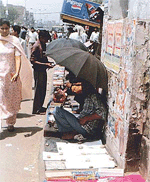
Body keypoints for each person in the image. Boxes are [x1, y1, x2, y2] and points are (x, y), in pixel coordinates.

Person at [0, 19, 32, 132]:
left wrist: (17, 72)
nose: (4, 30)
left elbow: (18, 58)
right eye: (2, 28)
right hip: (0, 76)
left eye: (6, 28)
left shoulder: (14, 41)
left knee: (10, 99)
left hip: (11, 75)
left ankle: (10, 122)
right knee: (0, 98)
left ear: (10, 29)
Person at [30, 30, 54, 115]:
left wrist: (48, 63)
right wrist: (45, 64)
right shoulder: (36, 46)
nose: (47, 41)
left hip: (43, 70)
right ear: (41, 38)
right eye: (46, 39)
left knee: (43, 89)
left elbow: (43, 57)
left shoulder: (43, 45)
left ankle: (40, 106)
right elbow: (33, 60)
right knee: (38, 90)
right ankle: (36, 109)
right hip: (38, 71)